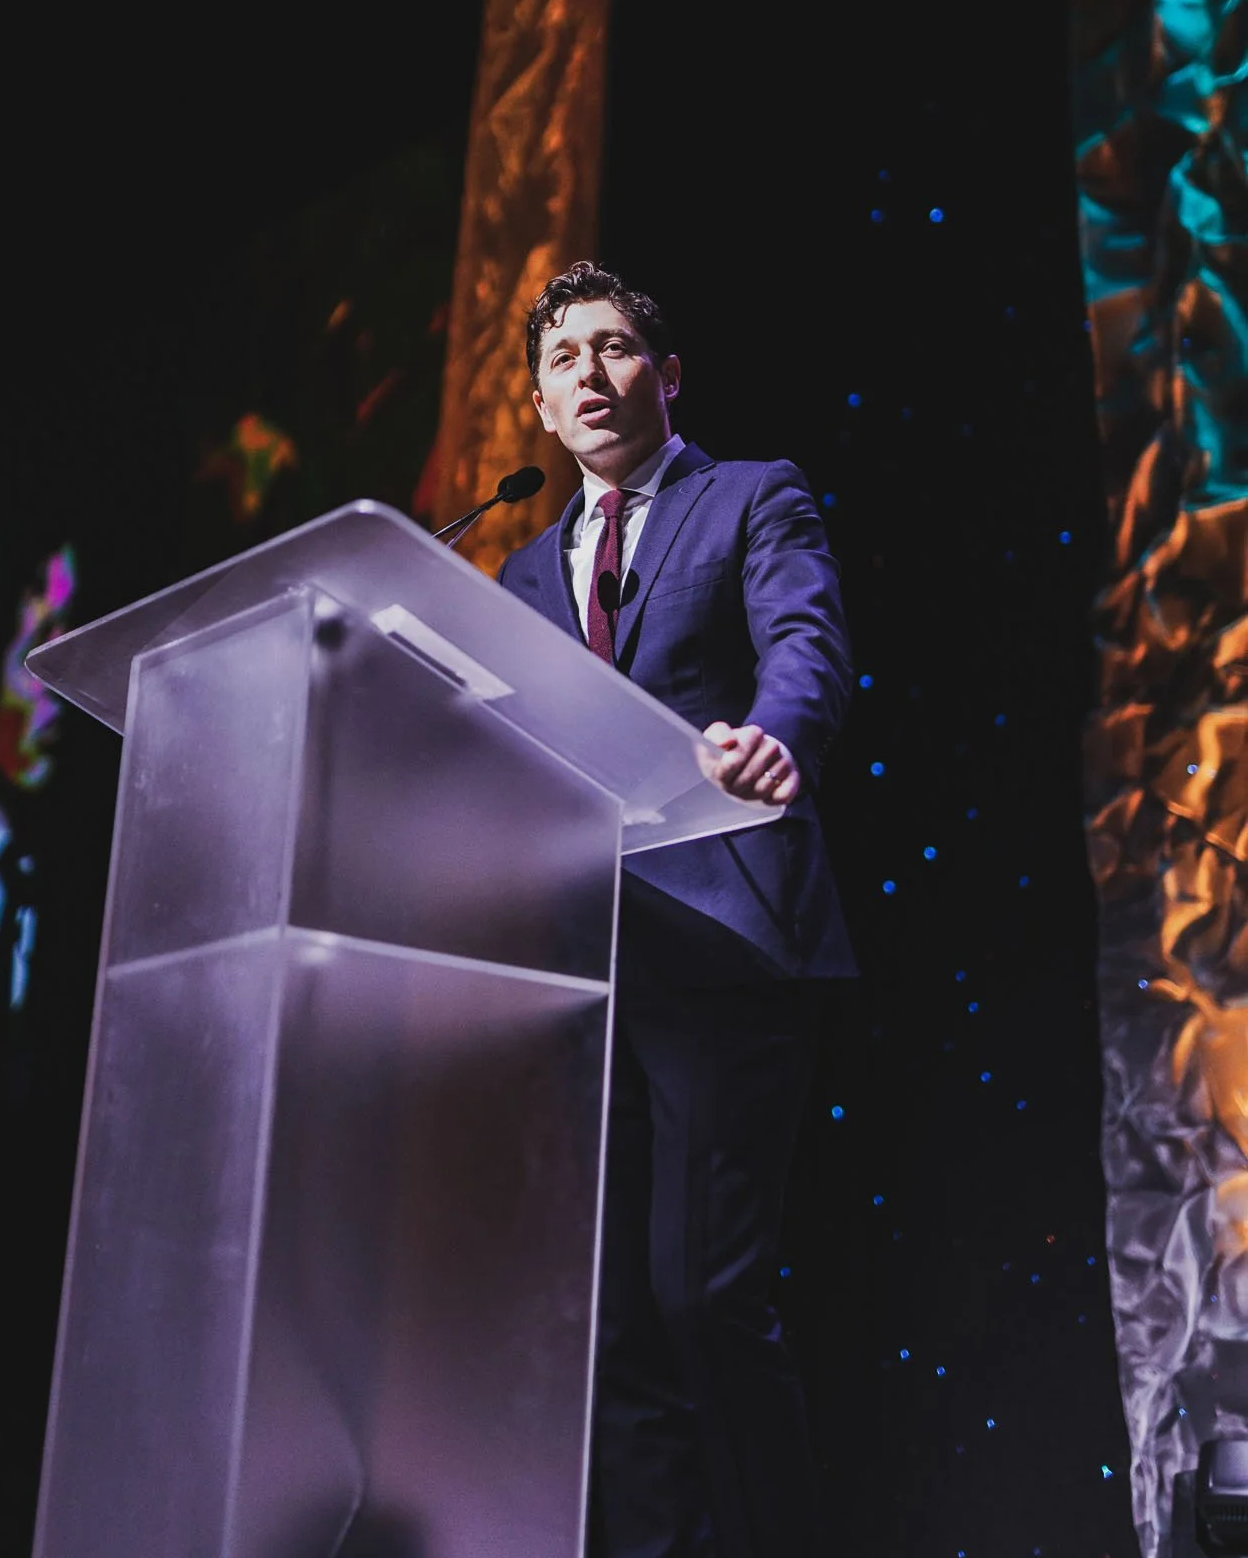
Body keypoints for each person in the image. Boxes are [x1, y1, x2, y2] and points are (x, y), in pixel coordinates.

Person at [497, 262, 855, 1558]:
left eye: (612, 348)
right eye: (560, 361)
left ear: (668, 374)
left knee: (701, 1297)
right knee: (611, 1325)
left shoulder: (749, 496)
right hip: (578, 973)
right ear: (538, 405)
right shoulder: (518, 570)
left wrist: (775, 737)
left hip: (717, 943)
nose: (586, 376)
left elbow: (805, 646)